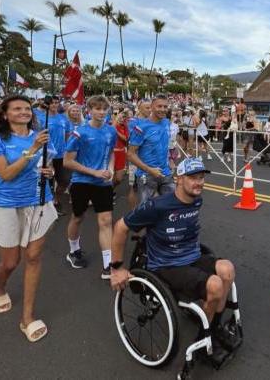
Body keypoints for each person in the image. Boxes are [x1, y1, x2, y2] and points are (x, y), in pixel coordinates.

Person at [110, 157, 239, 361]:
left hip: (191, 256)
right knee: (215, 285)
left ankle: (213, 329)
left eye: (201, 177)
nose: (199, 182)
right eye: (192, 178)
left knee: (227, 269)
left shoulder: (197, 199)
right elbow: (120, 228)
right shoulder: (157, 206)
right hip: (166, 265)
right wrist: (116, 268)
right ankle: (204, 342)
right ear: (178, 179)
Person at [0, 94, 58, 342]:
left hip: (39, 201)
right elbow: (5, 174)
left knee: (33, 258)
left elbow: (49, 165)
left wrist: (50, 170)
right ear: (5, 114)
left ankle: (27, 318)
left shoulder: (41, 136)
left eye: (27, 108)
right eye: (17, 108)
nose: (24, 111)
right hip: (6, 205)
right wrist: (33, 148)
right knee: (11, 262)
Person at [63, 96, 117, 277]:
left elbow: (111, 154)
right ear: (90, 110)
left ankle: (108, 265)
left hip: (102, 183)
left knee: (106, 221)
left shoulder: (111, 131)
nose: (101, 112)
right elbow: (68, 162)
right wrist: (94, 172)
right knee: (78, 217)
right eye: (97, 109)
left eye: (104, 109)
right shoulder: (80, 133)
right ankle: (73, 251)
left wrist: (109, 169)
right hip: (81, 182)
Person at [127, 95, 173, 204]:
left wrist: (171, 159)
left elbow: (168, 143)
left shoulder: (166, 122)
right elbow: (130, 154)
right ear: (151, 107)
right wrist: (149, 170)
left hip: (165, 173)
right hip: (147, 175)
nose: (163, 109)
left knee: (172, 207)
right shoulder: (141, 127)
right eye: (159, 106)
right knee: (149, 212)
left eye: (165, 106)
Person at [34, 96, 71, 216]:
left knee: (65, 181)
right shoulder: (40, 117)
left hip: (61, 155)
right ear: (47, 104)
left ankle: (56, 198)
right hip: (46, 155)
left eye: (56, 103)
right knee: (47, 181)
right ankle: (49, 204)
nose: (54, 105)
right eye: (52, 103)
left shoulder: (63, 118)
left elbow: (67, 135)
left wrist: (64, 148)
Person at [113, 110, 129, 190]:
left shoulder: (125, 127)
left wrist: (116, 131)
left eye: (124, 118)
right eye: (121, 117)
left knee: (119, 179)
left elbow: (126, 138)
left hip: (121, 153)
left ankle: (112, 189)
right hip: (111, 153)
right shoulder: (110, 125)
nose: (122, 119)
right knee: (109, 176)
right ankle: (110, 194)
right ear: (117, 116)